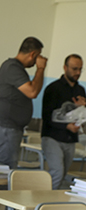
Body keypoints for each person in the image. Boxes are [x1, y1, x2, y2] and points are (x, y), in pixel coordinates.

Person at [0, 37, 47, 169]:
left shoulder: (16, 68)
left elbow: (33, 91)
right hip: (6, 127)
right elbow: (32, 92)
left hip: (10, 127)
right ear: (33, 54)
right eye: (38, 56)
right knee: (5, 169)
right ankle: (1, 190)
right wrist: (41, 69)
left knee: (8, 167)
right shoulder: (12, 67)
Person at [41, 54, 86, 189]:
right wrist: (67, 125)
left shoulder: (80, 90)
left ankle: (53, 204)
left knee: (62, 174)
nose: (77, 72)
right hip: (52, 137)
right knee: (57, 172)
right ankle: (44, 204)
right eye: (74, 69)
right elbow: (47, 116)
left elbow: (82, 116)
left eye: (80, 69)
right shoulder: (53, 88)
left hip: (71, 139)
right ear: (65, 67)